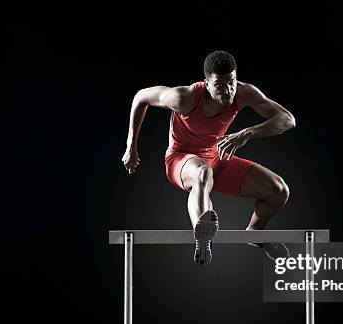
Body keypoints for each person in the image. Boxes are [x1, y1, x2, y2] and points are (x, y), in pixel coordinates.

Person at [122, 50, 295, 265]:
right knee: (203, 172)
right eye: (220, 85)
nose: (228, 90)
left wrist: (247, 133)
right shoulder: (183, 98)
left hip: (216, 157)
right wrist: (131, 146)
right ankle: (202, 236)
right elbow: (141, 97)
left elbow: (287, 119)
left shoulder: (243, 93)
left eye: (231, 82)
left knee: (278, 190)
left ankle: (254, 232)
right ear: (206, 84)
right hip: (181, 160)